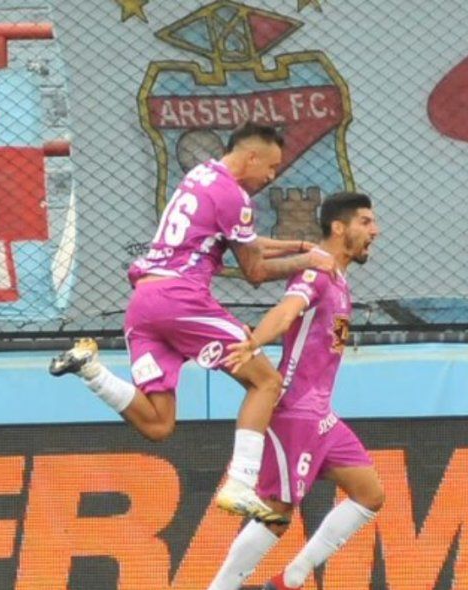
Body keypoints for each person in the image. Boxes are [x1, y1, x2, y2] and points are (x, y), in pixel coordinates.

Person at [50, 122, 334, 522]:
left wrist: (300, 245)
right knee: (266, 381)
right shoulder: (234, 197)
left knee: (158, 424)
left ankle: (91, 371)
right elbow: (253, 270)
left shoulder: (200, 176)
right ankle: (241, 481)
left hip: (144, 305)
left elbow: (241, 241)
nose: (271, 177)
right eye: (270, 167)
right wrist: (310, 261)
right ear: (251, 156)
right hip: (180, 300)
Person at [183, 191, 383, 590]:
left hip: (322, 415)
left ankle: (290, 582)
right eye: (366, 222)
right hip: (294, 412)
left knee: (369, 494)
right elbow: (286, 309)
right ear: (338, 228)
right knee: (276, 514)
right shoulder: (315, 273)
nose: (375, 231)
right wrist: (254, 344)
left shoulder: (339, 279)